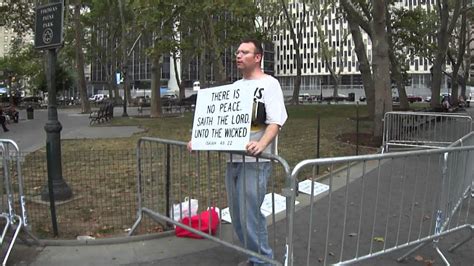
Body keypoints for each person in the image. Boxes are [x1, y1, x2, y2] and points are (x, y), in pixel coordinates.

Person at [188, 38, 287, 265]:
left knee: (249, 215)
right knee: (237, 216)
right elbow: (216, 123)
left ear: (258, 57)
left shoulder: (270, 85)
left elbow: (275, 122)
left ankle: (263, 261)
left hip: (256, 162)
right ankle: (255, 257)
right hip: (233, 160)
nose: (238, 56)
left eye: (244, 52)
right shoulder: (234, 89)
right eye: (237, 52)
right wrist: (198, 140)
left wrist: (262, 144)